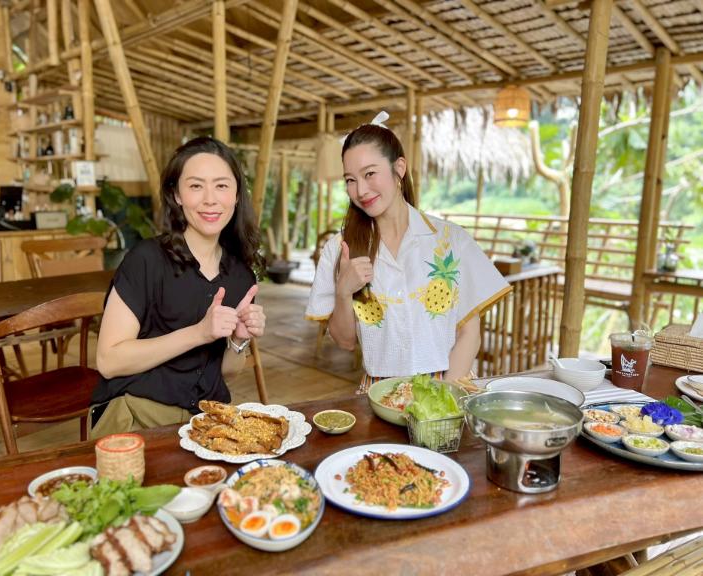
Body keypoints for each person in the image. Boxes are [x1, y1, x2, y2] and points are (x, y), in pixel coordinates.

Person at [306, 116, 510, 394]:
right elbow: (345, 341)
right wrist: (343, 290)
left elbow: (469, 334)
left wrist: (439, 400)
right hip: (379, 393)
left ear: (399, 168)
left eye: (369, 174)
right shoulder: (340, 249)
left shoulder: (451, 239)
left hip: (448, 387)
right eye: (350, 180)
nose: (360, 190)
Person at [90, 136, 266, 437]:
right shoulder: (146, 260)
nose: (210, 199)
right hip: (136, 412)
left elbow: (226, 373)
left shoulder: (240, 276)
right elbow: (109, 361)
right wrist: (199, 333)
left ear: (237, 195)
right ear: (177, 195)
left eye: (222, 186)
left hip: (206, 420)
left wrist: (239, 339)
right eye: (196, 186)